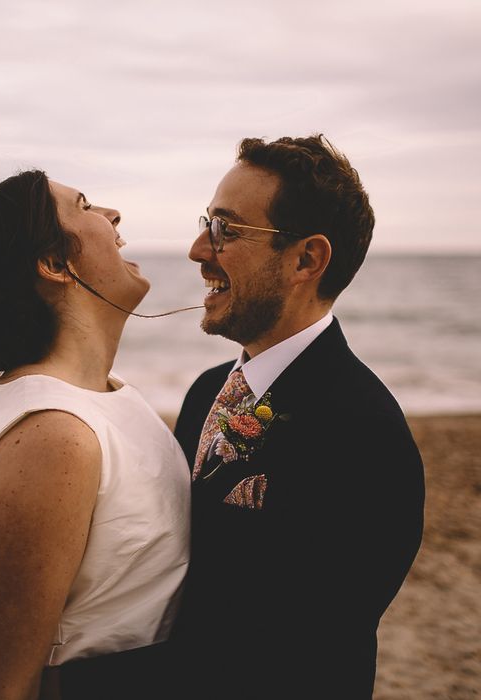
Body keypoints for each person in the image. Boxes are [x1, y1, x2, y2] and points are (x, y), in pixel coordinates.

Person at [172, 135, 425, 699]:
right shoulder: (204, 394)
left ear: (306, 259)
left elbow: (308, 648)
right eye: (206, 222)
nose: (197, 249)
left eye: (226, 230)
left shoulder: (365, 433)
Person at [0, 170, 190, 700]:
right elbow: (4, 686)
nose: (113, 214)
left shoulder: (108, 396)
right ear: (53, 264)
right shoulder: (54, 436)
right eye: (87, 205)